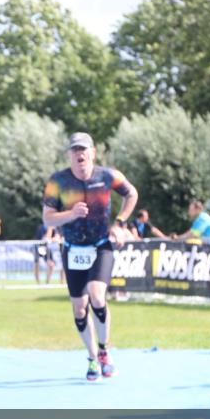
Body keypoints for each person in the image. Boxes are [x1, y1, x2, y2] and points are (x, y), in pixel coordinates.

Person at [43, 132, 138, 381]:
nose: (79, 154)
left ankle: (105, 351)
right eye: (75, 150)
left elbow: (131, 194)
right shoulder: (57, 181)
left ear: (93, 152)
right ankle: (92, 357)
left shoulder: (107, 176)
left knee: (97, 295)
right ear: (69, 155)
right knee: (79, 308)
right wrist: (70, 214)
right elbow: (47, 218)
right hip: (73, 249)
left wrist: (120, 223)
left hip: (100, 246)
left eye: (84, 149)